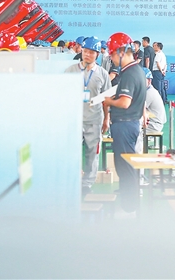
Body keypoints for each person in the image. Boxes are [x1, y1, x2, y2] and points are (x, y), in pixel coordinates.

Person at [103, 32, 147, 213]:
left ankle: (129, 207)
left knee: (125, 167)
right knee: (126, 165)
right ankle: (129, 203)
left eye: (112, 55)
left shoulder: (129, 74)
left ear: (121, 52)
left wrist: (107, 101)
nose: (112, 59)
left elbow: (124, 102)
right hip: (130, 124)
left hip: (125, 125)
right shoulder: (137, 71)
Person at [64, 36, 111, 197]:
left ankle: (87, 184)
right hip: (74, 120)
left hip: (94, 120)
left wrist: (107, 119)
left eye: (91, 52)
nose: (87, 54)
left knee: (92, 153)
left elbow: (106, 99)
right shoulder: (70, 71)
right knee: (71, 152)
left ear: (97, 54)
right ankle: (72, 180)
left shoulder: (103, 74)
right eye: (85, 51)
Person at [143, 68, 166, 134]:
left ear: (149, 81)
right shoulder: (146, 90)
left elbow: (137, 109)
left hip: (153, 125)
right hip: (152, 122)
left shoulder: (149, 93)